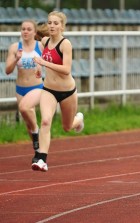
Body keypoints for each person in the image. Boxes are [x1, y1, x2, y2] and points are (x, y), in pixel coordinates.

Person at [32, 11, 84, 172]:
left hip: (67, 91)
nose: (52, 26)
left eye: (55, 23)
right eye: (49, 23)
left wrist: (43, 63)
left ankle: (79, 119)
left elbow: (66, 70)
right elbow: (44, 57)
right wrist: (39, 67)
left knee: (67, 127)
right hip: (49, 89)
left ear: (62, 26)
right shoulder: (46, 41)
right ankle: (42, 159)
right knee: (46, 121)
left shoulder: (65, 44)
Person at [5, 19, 44, 163]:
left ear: (34, 32)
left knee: (27, 110)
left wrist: (41, 68)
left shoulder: (40, 45)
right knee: (28, 122)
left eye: (28, 29)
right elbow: (7, 70)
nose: (25, 32)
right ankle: (38, 150)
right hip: (20, 89)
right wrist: (16, 59)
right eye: (23, 29)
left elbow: (51, 61)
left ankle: (39, 147)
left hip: (36, 87)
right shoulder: (15, 47)